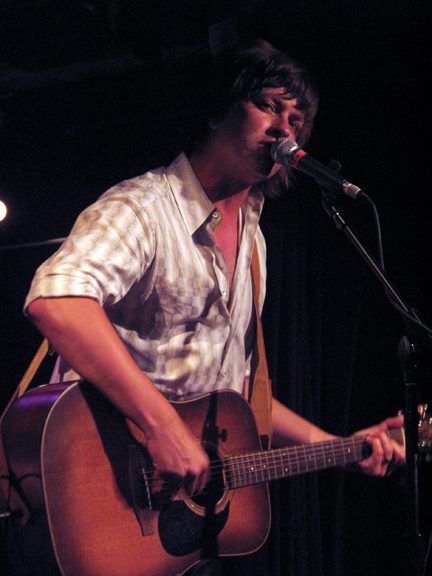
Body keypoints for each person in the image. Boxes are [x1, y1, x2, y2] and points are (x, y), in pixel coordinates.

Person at [24, 39, 405, 574]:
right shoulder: (144, 207)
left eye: (297, 119)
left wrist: (342, 445)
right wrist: (162, 427)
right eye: (269, 105)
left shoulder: (254, 238)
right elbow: (57, 302)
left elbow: (240, 394)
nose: (284, 129)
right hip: (102, 492)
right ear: (218, 109)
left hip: (181, 530)